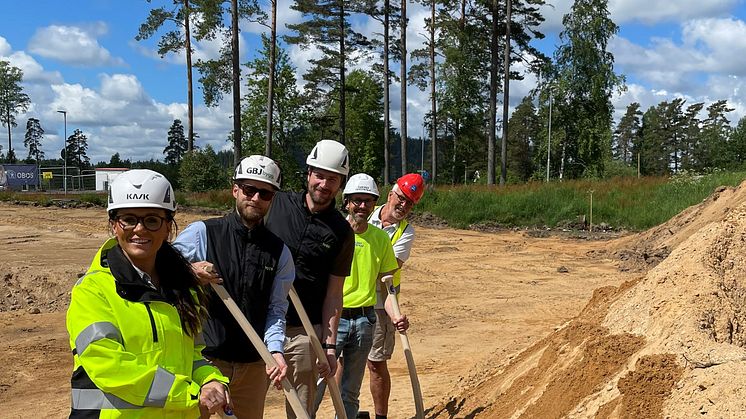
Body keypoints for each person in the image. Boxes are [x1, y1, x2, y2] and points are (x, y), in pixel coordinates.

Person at [66, 169, 230, 418]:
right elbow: (109, 366)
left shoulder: (183, 289)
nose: (140, 229)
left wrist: (210, 380)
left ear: (168, 227)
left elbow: (193, 356)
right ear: (113, 225)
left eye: (152, 220)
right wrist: (190, 395)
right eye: (129, 219)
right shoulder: (93, 291)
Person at [173, 155, 294, 419]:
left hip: (252, 364)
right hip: (206, 360)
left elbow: (276, 309)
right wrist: (189, 271)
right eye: (249, 189)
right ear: (235, 189)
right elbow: (162, 271)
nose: (255, 198)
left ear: (272, 198)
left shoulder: (279, 252)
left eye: (264, 193)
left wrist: (275, 350)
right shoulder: (202, 233)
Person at [264, 139, 355, 418]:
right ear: (308, 174)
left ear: (340, 183)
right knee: (245, 397)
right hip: (255, 319)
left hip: (302, 331)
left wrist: (328, 346)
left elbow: (334, 294)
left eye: (333, 179)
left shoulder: (341, 232)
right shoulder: (275, 205)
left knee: (301, 408)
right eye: (320, 175)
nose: (324, 185)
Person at [325, 173, 409, 419]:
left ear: (374, 204)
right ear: (347, 201)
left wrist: (396, 316)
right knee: (319, 384)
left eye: (368, 201)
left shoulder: (380, 239)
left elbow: (386, 286)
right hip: (333, 319)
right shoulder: (332, 232)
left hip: (364, 321)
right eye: (357, 200)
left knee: (350, 390)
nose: (362, 206)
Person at [366, 173, 425, 419]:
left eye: (409, 203)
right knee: (343, 359)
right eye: (401, 198)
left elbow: (388, 269)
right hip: (350, 297)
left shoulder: (406, 233)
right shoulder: (365, 210)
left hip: (382, 302)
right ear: (391, 194)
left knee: (376, 362)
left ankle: (381, 416)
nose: (403, 205)